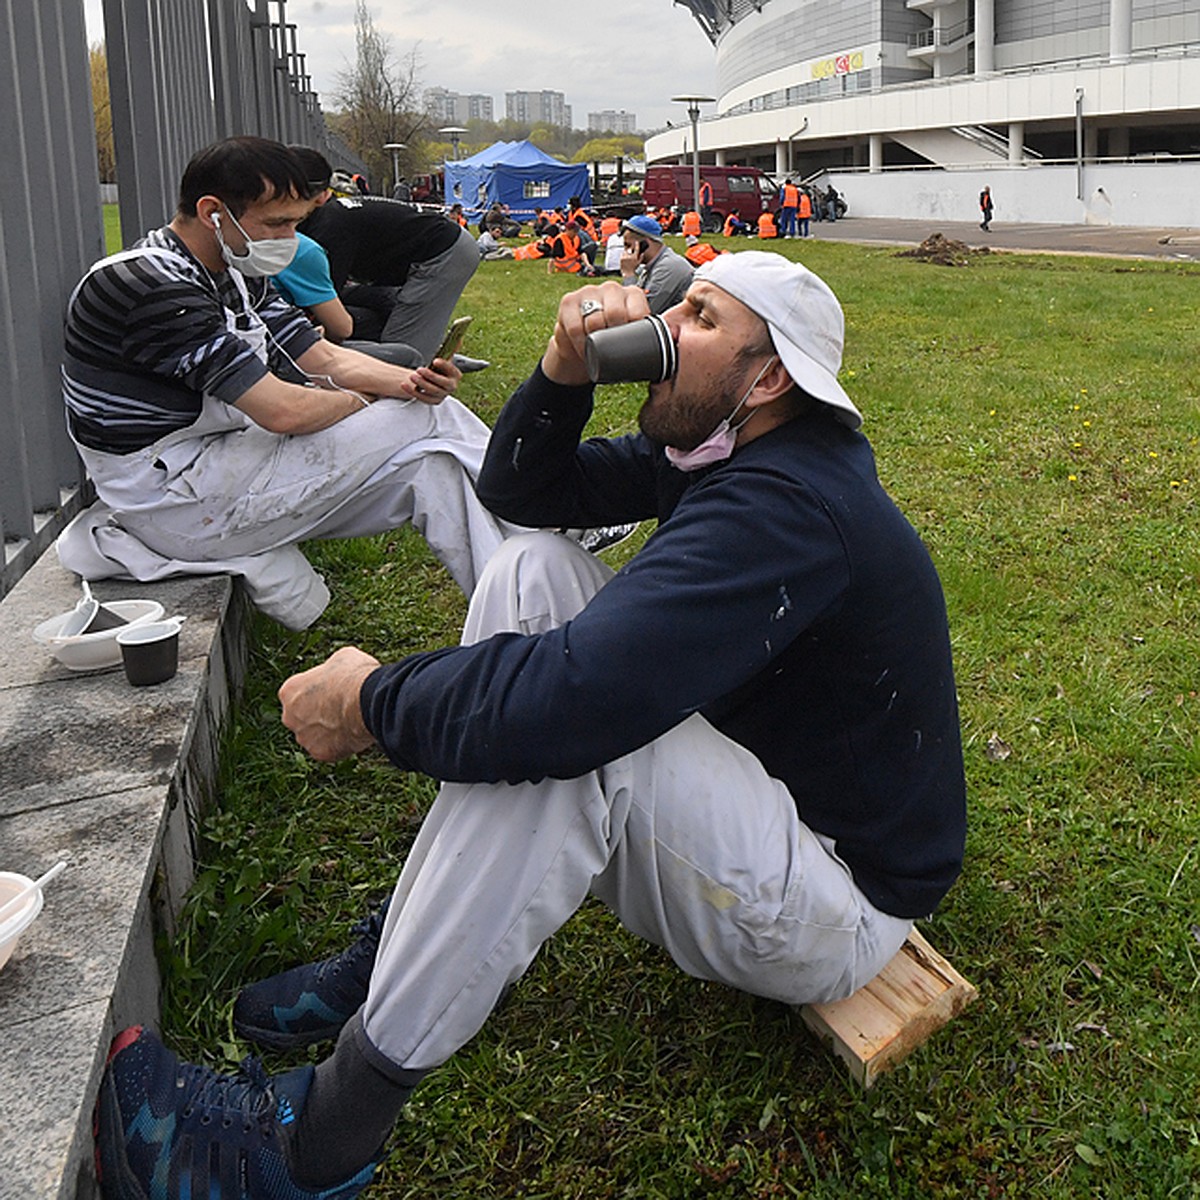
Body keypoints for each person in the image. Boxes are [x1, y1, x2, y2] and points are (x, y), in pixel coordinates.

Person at [95, 250, 967, 1200]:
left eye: (704, 320)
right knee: (530, 571)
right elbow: (519, 496)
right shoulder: (728, 445)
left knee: (577, 739)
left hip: (834, 906)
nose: (669, 327)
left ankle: (316, 1142)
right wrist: (560, 370)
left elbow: (571, 705)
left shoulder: (789, 507)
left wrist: (369, 702)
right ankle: (402, 945)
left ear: (768, 379)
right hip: (763, 818)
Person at [58, 137, 511, 630]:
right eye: (277, 223)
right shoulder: (150, 284)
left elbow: (320, 355)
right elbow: (283, 412)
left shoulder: (234, 272)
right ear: (213, 212)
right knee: (429, 416)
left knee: (434, 470)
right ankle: (545, 507)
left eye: (295, 222)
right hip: (173, 500)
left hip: (210, 471)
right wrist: (372, 397)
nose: (290, 238)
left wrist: (409, 380)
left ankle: (519, 621)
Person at [298, 152, 479, 363]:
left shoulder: (328, 227)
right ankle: (431, 350)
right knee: (396, 323)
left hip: (442, 253)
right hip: (440, 245)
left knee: (401, 356)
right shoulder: (333, 215)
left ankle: (430, 358)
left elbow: (328, 296)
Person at [619, 213, 693, 314]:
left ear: (645, 244)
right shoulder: (652, 265)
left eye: (628, 245)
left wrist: (628, 275)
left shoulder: (668, 267)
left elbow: (641, 313)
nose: (625, 251)